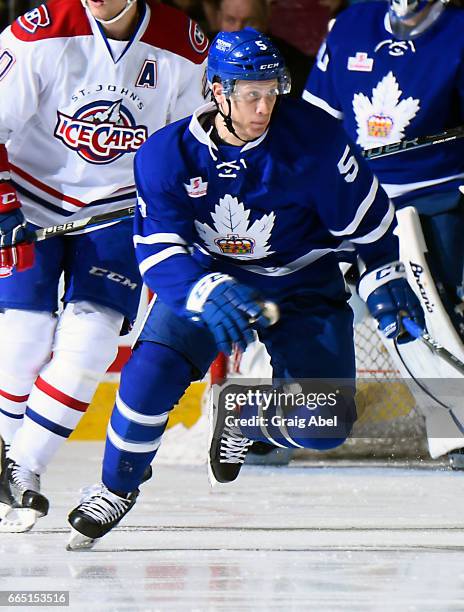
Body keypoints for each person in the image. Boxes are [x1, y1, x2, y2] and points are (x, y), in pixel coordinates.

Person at [65, 28, 424, 549]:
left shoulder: (317, 141)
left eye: (272, 91)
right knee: (149, 375)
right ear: (216, 91)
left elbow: (371, 232)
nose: (264, 105)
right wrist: (204, 288)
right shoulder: (166, 156)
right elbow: (158, 249)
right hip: (209, 282)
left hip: (300, 286)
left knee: (324, 425)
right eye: (250, 93)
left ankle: (242, 417)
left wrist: (386, 276)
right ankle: (115, 488)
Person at [0, 0, 208, 532]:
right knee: (23, 333)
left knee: (91, 342)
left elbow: (191, 147)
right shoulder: (38, 32)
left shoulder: (184, 44)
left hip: (117, 209)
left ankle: (22, 467)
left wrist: (174, 213)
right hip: (27, 194)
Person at [303, 0, 464, 465]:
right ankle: (286, 414)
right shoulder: (351, 23)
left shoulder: (458, 33)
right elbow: (317, 118)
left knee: (424, 309)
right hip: (352, 196)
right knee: (302, 295)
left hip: (435, 197)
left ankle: (453, 422)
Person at [213, 0, 311, 97]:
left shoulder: (294, 66)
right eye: (230, 20)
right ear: (218, 19)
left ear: (265, 20)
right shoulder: (203, 58)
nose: (238, 29)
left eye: (249, 22)